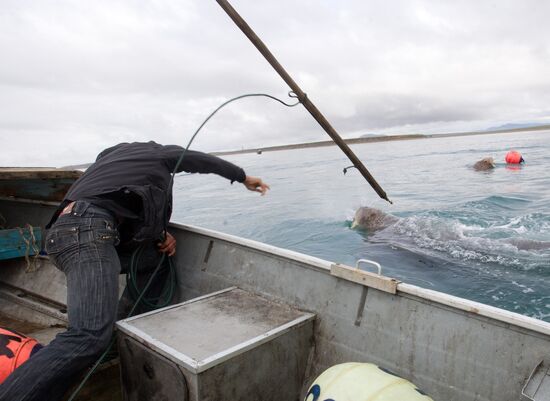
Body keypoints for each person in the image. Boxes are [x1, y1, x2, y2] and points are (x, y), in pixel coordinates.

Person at [0, 141, 270, 401]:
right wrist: (243, 176)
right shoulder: (159, 153)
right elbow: (199, 160)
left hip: (61, 238)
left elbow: (125, 222)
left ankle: (117, 337)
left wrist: (160, 236)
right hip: (87, 233)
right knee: (86, 335)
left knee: (155, 261)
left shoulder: (103, 169)